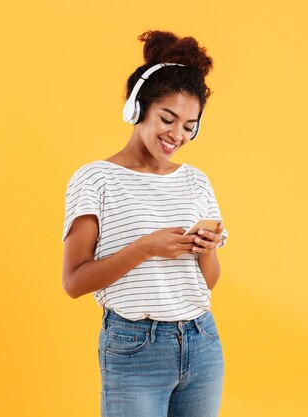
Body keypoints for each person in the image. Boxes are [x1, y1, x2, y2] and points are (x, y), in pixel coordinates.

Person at [61, 30, 229, 417]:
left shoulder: (196, 181)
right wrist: (144, 248)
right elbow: (73, 282)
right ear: (137, 110)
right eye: (167, 119)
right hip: (134, 347)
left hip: (202, 341)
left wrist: (206, 251)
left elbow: (208, 283)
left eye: (189, 125)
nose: (176, 135)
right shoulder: (95, 180)